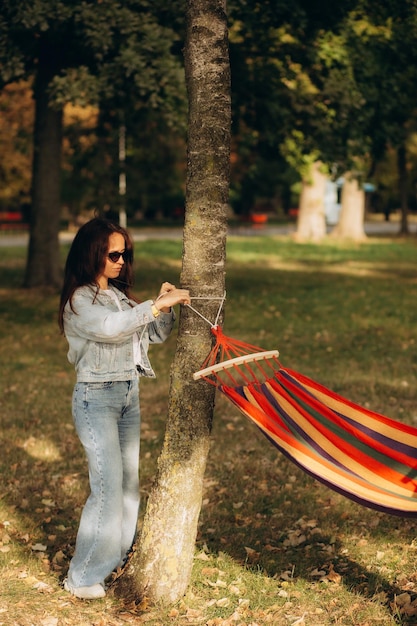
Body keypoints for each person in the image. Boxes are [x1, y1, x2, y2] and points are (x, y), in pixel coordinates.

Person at [58, 217, 190, 600]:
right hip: (95, 399)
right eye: (112, 254)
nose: (120, 261)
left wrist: (162, 309)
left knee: (128, 486)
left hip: (127, 396)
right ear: (92, 254)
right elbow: (113, 328)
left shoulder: (120, 296)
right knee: (107, 489)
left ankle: (113, 557)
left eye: (124, 254)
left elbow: (154, 334)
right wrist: (154, 305)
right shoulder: (80, 301)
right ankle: (81, 577)